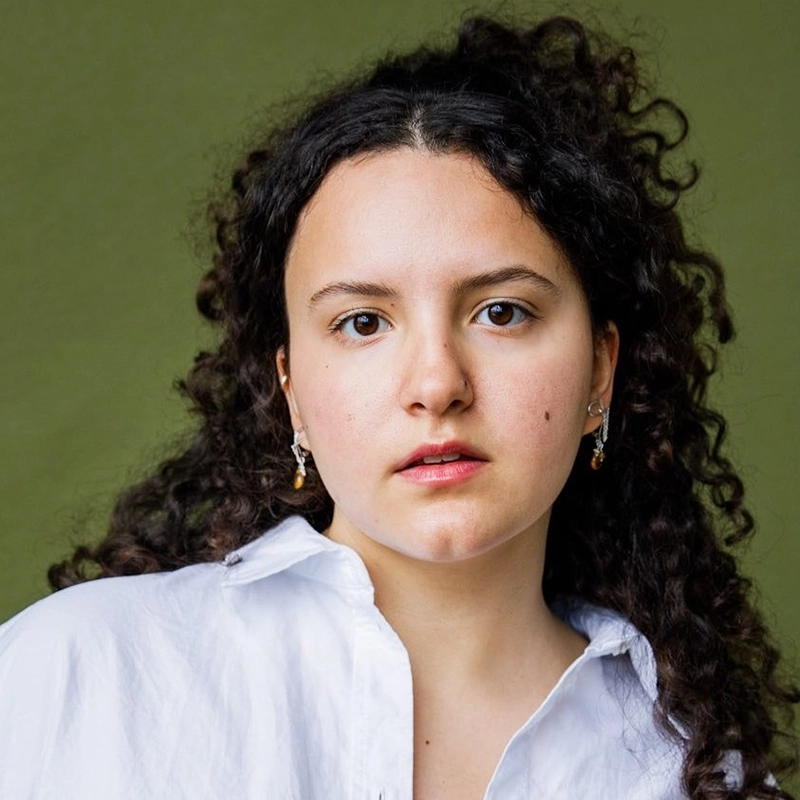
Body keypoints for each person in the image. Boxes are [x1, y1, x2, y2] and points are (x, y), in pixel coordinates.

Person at [0, 12, 796, 800]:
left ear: (599, 371)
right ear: (292, 393)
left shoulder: (695, 777)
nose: (436, 384)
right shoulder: (76, 676)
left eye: (502, 312)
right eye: (363, 323)